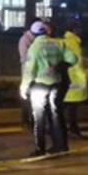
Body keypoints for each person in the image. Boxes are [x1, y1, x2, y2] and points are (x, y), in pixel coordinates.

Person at [20, 21, 78, 155]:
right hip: (56, 83)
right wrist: (58, 65)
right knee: (57, 114)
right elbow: (73, 59)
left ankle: (40, 148)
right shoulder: (58, 43)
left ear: (34, 34)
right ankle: (62, 145)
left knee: (39, 117)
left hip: (40, 85)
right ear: (47, 32)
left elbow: (29, 71)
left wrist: (24, 87)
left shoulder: (34, 47)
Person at [62, 22, 88, 139]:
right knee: (72, 108)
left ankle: (66, 129)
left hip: (66, 78)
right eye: (79, 28)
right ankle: (72, 129)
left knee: (65, 107)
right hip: (74, 79)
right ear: (74, 29)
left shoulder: (64, 41)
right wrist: (83, 78)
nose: (81, 31)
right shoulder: (73, 43)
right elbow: (77, 63)